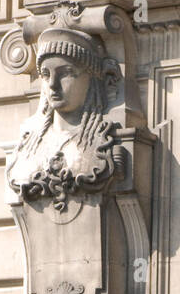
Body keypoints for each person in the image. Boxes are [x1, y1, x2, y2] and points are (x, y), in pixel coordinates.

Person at [6, 26, 122, 210]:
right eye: (45, 74)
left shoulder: (100, 142)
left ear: (92, 79)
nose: (52, 84)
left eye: (66, 73)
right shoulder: (29, 146)